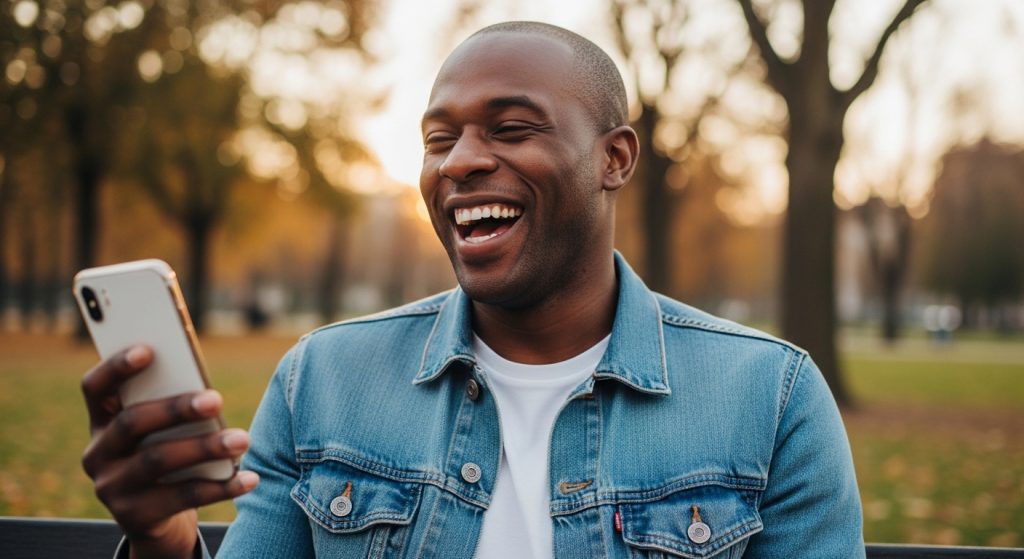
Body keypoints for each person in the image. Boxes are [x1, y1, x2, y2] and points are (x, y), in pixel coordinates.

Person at [80, 21, 864, 558]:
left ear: (614, 158)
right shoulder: (321, 380)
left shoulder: (771, 398)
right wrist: (165, 544)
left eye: (511, 128)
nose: (459, 161)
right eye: (439, 138)